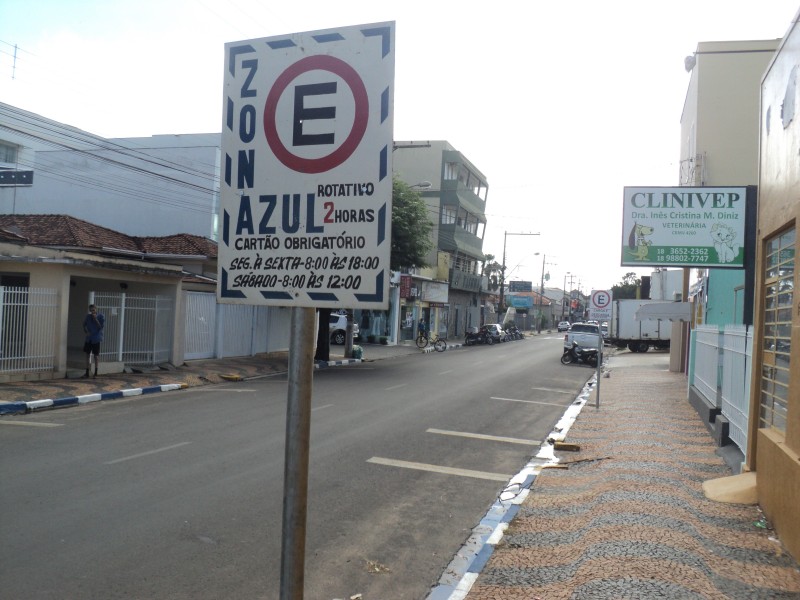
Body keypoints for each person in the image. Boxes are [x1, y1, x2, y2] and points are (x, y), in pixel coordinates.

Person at [82, 304, 105, 378]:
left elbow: (100, 327)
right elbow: (84, 324)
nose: (92, 312)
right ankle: (87, 372)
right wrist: (86, 331)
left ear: (96, 310)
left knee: (96, 356)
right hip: (89, 338)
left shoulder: (101, 316)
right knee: (87, 355)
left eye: (93, 310)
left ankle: (96, 372)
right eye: (91, 311)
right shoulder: (88, 317)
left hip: (96, 338)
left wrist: (96, 319)